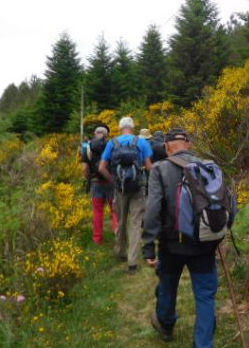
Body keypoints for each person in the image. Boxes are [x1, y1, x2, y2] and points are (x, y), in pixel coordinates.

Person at [143, 128, 232, 347]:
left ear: (166, 147)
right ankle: (203, 343)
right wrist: (219, 232)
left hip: (172, 244)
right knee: (205, 295)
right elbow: (228, 201)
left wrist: (148, 247)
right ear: (189, 145)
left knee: (168, 284)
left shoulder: (160, 169)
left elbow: (153, 209)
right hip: (204, 243)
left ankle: (165, 323)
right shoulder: (207, 167)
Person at [99, 117, 152, 273]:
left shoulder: (112, 143)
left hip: (120, 189)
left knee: (121, 221)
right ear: (133, 127)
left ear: (120, 128)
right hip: (137, 188)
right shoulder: (142, 142)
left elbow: (102, 167)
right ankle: (132, 262)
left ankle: (121, 251)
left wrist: (113, 180)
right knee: (135, 224)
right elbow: (149, 167)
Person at [80, 125, 117, 245]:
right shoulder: (112, 145)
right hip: (111, 182)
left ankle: (97, 239)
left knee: (97, 212)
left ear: (95, 134)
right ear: (106, 135)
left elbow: (84, 168)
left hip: (95, 183)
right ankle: (118, 233)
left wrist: (88, 179)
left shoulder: (88, 147)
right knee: (115, 210)